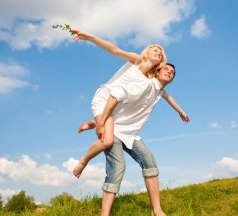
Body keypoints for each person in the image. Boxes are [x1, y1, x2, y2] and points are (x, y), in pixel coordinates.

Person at [69, 29, 189, 179]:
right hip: (105, 98)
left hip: (117, 105)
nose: (159, 53)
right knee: (107, 141)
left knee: (119, 120)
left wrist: (180, 112)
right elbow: (114, 50)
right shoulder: (137, 60)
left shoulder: (150, 80)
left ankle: (93, 123)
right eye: (155, 50)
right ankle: (83, 161)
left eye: (161, 53)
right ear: (147, 52)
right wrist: (91, 38)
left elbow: (166, 96)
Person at [94, 63, 188, 216]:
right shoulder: (146, 84)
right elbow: (118, 94)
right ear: (157, 72)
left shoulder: (159, 91)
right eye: (166, 69)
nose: (169, 72)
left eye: (172, 72)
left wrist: (180, 112)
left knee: (149, 161)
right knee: (118, 168)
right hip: (114, 130)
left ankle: (157, 211)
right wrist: (100, 122)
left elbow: (169, 98)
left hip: (130, 135)